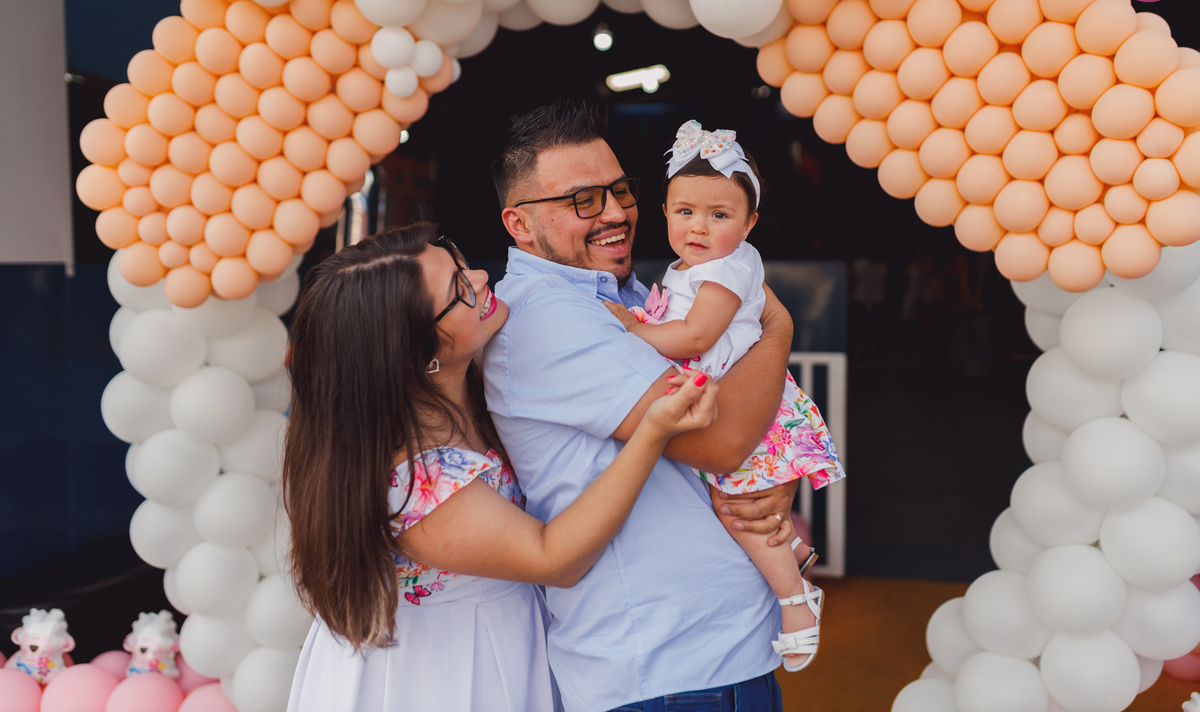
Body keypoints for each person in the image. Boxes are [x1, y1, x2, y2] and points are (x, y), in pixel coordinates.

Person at [282, 222, 720, 712]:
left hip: (502, 646)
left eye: (460, 262)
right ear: (412, 353)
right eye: (459, 289)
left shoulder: (478, 384)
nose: (481, 278)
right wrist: (653, 432)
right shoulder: (411, 480)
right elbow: (553, 557)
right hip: (443, 675)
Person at [484, 101, 800, 712]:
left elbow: (737, 424)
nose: (615, 213)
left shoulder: (622, 293)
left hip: (712, 652)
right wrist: (778, 325)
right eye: (583, 200)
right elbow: (722, 440)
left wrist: (770, 477)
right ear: (519, 224)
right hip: (666, 668)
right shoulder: (547, 316)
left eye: (621, 190)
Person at [602, 121, 846, 672]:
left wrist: (632, 329)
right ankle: (792, 551)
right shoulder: (695, 267)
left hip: (749, 404)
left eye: (719, 215)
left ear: (750, 222)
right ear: (664, 212)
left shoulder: (729, 268)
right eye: (685, 211)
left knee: (735, 511)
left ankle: (796, 601)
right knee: (733, 505)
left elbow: (695, 337)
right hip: (732, 395)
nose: (698, 226)